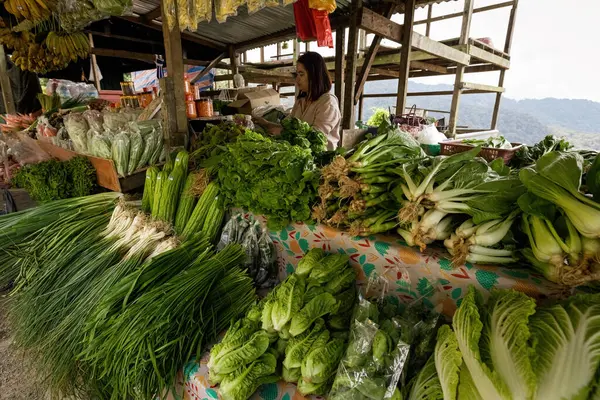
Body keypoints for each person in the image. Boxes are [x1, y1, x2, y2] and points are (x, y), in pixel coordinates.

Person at [258, 51, 341, 150]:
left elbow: (316, 138)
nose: (297, 80)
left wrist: (282, 132)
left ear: (314, 75)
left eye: (301, 74)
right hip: (301, 154)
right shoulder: (301, 101)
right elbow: (286, 126)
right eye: (297, 74)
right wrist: (266, 123)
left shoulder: (327, 102)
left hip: (322, 160)